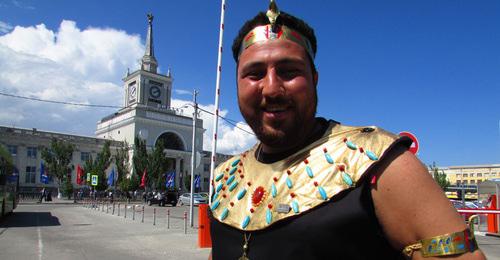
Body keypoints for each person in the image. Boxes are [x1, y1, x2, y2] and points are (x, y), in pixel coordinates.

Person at [208, 1, 485, 259]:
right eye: (254, 74)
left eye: (289, 71)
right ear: (237, 83)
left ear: (314, 79)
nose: (271, 88)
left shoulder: (381, 163)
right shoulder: (225, 178)